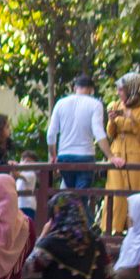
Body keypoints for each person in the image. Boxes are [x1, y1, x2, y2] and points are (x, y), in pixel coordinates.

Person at [102, 74, 140, 234]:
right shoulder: (117, 105)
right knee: (115, 192)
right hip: (118, 153)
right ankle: (112, 228)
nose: (119, 93)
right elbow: (111, 134)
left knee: (136, 192)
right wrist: (111, 120)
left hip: (136, 154)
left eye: (121, 90)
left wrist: (132, 119)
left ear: (132, 90)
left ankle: (135, 229)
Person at [47, 73, 107, 204]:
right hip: (85, 157)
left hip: (64, 157)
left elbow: (51, 134)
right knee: (81, 199)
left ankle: (69, 222)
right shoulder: (95, 104)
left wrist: (53, 155)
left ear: (75, 88)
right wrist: (111, 155)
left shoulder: (60, 103)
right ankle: (80, 223)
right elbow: (98, 132)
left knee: (69, 196)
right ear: (91, 90)